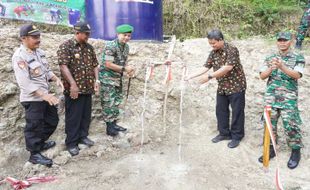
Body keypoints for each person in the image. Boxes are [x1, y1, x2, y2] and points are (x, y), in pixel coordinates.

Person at [12, 24, 63, 167]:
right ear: (24, 38)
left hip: (45, 96)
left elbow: (46, 70)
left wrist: (55, 78)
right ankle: (34, 155)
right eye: (34, 37)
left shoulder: (39, 52)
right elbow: (25, 83)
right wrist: (44, 95)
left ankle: (39, 144)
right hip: (33, 99)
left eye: (39, 36)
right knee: (34, 126)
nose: (38, 39)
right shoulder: (19, 56)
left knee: (52, 121)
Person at [186, 29, 246, 148]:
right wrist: (190, 76)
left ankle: (236, 136)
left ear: (221, 40)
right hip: (222, 86)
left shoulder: (232, 49)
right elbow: (205, 67)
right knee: (221, 110)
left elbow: (227, 67)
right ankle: (224, 133)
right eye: (210, 43)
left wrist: (209, 77)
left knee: (237, 112)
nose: (212, 45)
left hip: (236, 86)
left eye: (213, 43)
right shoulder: (213, 53)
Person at [258, 31, 305, 169]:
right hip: (271, 97)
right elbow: (262, 76)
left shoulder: (298, 57)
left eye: (285, 40)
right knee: (269, 125)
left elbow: (297, 75)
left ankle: (296, 151)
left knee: (291, 125)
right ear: (277, 41)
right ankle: (271, 148)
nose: (282, 42)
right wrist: (271, 69)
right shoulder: (270, 57)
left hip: (288, 98)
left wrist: (282, 67)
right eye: (280, 40)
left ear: (291, 41)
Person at [57, 21, 99, 156]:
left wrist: (96, 80)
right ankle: (71, 143)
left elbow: (95, 65)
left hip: (88, 88)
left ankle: (83, 136)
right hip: (74, 90)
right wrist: (73, 85)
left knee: (85, 115)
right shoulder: (66, 46)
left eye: (89, 34)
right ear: (77, 32)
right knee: (73, 117)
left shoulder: (89, 48)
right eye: (86, 34)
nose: (88, 36)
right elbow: (63, 66)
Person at [99, 24, 135, 136]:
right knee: (108, 102)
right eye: (124, 35)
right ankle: (109, 129)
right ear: (118, 34)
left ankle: (114, 124)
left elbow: (123, 62)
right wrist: (125, 69)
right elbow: (108, 64)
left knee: (116, 101)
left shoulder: (126, 47)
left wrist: (129, 70)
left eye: (129, 36)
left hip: (117, 78)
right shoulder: (110, 46)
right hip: (107, 79)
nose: (127, 38)